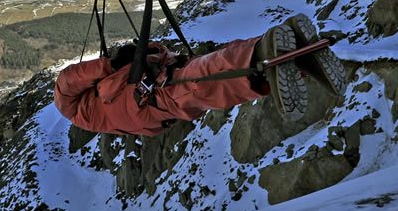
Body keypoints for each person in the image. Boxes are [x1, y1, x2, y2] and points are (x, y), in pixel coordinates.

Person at [54, 14, 345, 136]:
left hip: (154, 107)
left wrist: (136, 59)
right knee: (200, 77)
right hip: (149, 94)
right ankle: (268, 52)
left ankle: (283, 66)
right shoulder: (81, 103)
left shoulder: (100, 116)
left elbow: (148, 128)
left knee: (208, 86)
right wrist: (109, 64)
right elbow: (67, 80)